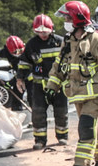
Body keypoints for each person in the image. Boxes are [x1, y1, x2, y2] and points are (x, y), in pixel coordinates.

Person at [47, 1, 98, 166]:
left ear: (77, 19)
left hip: (94, 96)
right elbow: (59, 66)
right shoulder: (68, 41)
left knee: (86, 128)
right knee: (97, 127)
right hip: (77, 95)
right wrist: (51, 87)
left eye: (67, 17)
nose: (64, 20)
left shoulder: (97, 41)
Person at [18, 14, 69, 149]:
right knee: (38, 113)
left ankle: (62, 137)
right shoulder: (32, 44)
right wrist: (20, 78)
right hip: (39, 87)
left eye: (45, 32)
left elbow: (70, 60)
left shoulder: (61, 42)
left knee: (61, 112)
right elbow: (24, 63)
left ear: (51, 29)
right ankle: (40, 140)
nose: (42, 35)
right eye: (39, 32)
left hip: (58, 86)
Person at [0, 35, 26, 106]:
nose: (18, 53)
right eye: (15, 52)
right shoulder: (6, 51)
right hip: (17, 71)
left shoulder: (27, 53)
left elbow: (24, 72)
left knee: (29, 91)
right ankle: (17, 109)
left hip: (28, 73)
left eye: (20, 50)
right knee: (17, 91)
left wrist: (11, 82)